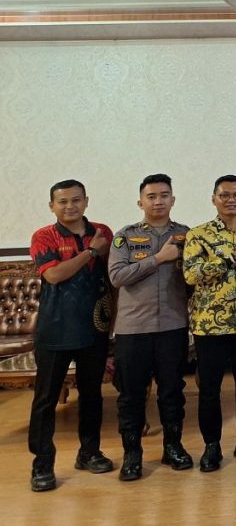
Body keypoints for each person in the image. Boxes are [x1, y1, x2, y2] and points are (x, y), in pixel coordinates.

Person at [27, 180, 115, 492]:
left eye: (76, 200)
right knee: (46, 400)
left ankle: (89, 452)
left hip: (94, 328)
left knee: (92, 395)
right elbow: (54, 275)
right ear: (52, 205)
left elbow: (112, 277)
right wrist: (91, 251)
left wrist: (114, 319)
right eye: (62, 201)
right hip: (55, 329)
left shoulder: (103, 232)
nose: (70, 206)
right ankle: (42, 464)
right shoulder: (44, 236)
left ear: (86, 201)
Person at [108, 174, 193, 481]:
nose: (158, 201)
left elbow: (194, 278)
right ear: (140, 202)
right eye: (152, 196)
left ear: (173, 199)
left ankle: (173, 447)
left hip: (173, 325)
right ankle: (132, 455)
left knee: (172, 391)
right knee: (131, 395)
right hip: (133, 329)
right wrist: (158, 258)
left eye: (164, 195)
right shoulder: (125, 236)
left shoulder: (187, 236)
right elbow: (117, 276)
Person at [183, 175, 236, 471]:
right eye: (225, 195)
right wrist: (229, 258)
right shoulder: (198, 234)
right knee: (209, 390)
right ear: (214, 199)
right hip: (210, 326)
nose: (231, 200)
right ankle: (212, 446)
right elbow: (190, 275)